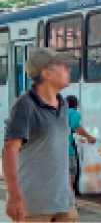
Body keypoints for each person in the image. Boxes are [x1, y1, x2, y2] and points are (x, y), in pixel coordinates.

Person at [2, 48, 77, 222]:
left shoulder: (64, 105)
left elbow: (59, 151)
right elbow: (9, 151)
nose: (68, 69)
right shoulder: (25, 106)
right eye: (62, 65)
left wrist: (69, 193)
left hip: (64, 204)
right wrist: (13, 195)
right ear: (47, 73)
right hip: (34, 206)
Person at [66, 95, 97, 202]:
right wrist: (89, 137)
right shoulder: (73, 113)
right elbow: (76, 127)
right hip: (67, 152)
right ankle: (70, 204)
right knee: (70, 179)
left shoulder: (59, 113)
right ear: (76, 105)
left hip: (56, 151)